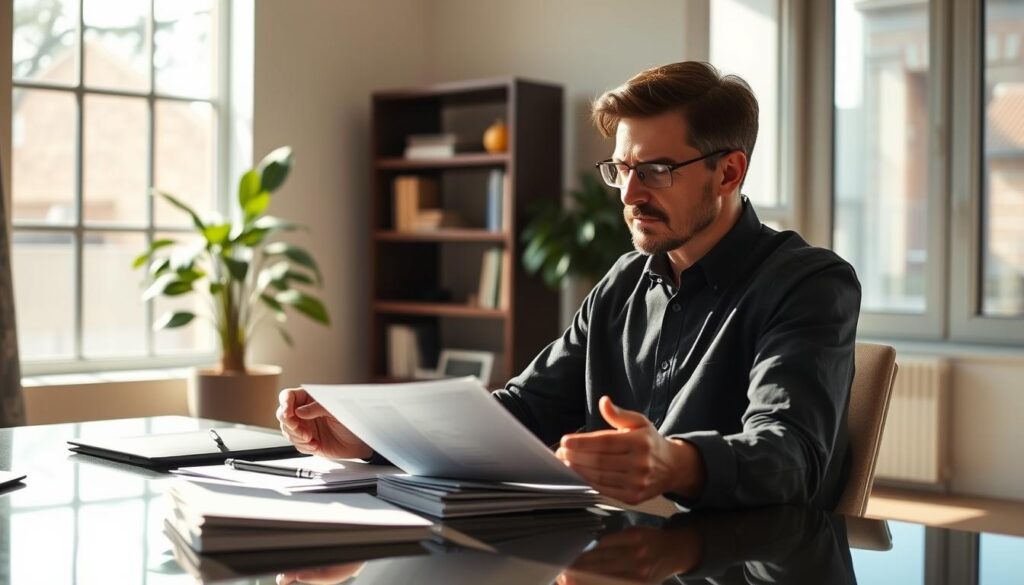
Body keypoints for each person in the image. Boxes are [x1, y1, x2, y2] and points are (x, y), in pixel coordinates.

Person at [277, 61, 860, 510]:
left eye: (656, 170)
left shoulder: (809, 284)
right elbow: (524, 409)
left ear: (728, 172)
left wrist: (675, 463)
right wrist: (370, 437)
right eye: (621, 170)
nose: (630, 195)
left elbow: (792, 455)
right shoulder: (623, 283)